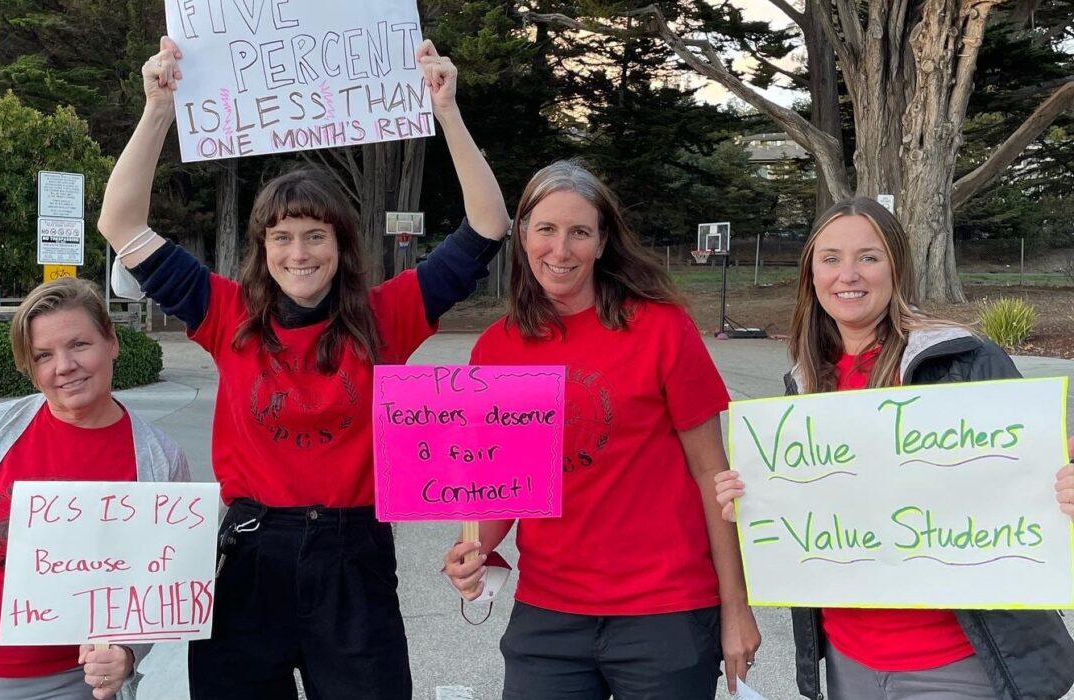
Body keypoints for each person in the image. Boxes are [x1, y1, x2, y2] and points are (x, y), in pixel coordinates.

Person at [96, 35, 510, 700]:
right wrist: (158, 111)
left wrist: (447, 112)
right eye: (282, 237)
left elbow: (487, 227)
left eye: (316, 235)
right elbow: (121, 223)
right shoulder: (225, 314)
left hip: (354, 558)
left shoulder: (386, 317)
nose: (299, 252)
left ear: (341, 246)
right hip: (252, 555)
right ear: (263, 247)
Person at [715, 196, 1074, 700]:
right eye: (831, 258)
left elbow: (1029, 493)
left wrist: (1062, 491)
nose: (849, 274)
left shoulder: (963, 362)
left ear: (896, 267)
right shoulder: (805, 386)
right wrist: (752, 499)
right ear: (811, 274)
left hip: (958, 663)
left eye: (869, 256)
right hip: (848, 663)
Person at [441, 160, 760, 699]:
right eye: (545, 229)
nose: (560, 250)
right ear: (522, 236)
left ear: (603, 240)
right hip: (548, 615)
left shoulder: (661, 328)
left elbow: (713, 473)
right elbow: (498, 485)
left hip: (666, 612)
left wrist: (736, 607)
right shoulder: (497, 347)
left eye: (579, 232)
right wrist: (471, 547)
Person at [0, 278, 190, 700]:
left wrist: (129, 653)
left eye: (79, 344)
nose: (64, 366)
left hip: (73, 685)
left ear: (112, 342)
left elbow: (159, 587)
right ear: (30, 366)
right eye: (44, 355)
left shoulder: (158, 459)